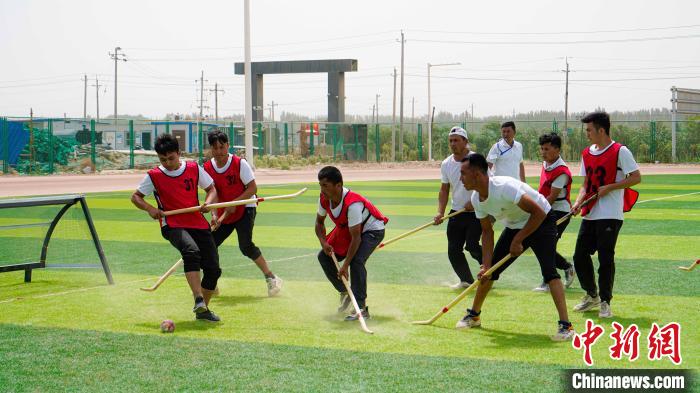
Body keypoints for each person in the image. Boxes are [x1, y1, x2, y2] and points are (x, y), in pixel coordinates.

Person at [456, 153, 575, 341]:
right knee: (491, 272)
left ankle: (566, 327)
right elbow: (487, 232)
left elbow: (537, 212)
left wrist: (518, 239)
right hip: (515, 225)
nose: (460, 178)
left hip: (542, 220)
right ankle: (474, 314)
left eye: (463, 173)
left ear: (477, 174)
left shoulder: (504, 187)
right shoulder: (477, 199)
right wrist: (486, 266)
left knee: (549, 271)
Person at [131, 133, 221, 322]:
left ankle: (203, 310)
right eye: (163, 160)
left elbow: (211, 189)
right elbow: (136, 197)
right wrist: (150, 209)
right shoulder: (154, 176)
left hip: (197, 222)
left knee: (213, 269)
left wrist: (208, 203)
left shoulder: (193, 168)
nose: (168, 163)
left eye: (171, 158)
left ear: (179, 154)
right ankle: (197, 298)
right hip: (172, 224)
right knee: (191, 251)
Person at [571, 111, 641, 318]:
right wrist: (577, 202)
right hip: (590, 213)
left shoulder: (621, 151)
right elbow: (585, 184)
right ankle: (592, 294)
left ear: (602, 130)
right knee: (579, 256)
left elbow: (636, 177)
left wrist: (611, 187)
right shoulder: (586, 153)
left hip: (610, 214)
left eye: (589, 130)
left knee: (605, 258)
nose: (587, 134)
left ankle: (605, 301)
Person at [203, 130, 282, 297]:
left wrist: (236, 202)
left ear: (228, 146)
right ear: (210, 149)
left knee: (245, 246)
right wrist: (215, 215)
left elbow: (252, 188)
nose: (219, 152)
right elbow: (212, 191)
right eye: (215, 148)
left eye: (222, 147)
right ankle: (211, 283)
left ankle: (271, 277)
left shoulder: (239, 163)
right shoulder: (208, 167)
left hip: (246, 207)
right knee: (209, 246)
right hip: (225, 209)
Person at [314, 166, 388, 321]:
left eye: (325, 186)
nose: (322, 190)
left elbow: (356, 238)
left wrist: (345, 265)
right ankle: (347, 292)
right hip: (347, 228)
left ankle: (361, 308)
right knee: (324, 256)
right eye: (320, 185)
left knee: (356, 261)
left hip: (371, 230)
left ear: (338, 185)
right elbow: (319, 223)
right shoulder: (323, 198)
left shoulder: (352, 204)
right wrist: (323, 242)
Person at [434, 126, 482, 289]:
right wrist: (440, 212)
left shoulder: (476, 159)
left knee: (472, 245)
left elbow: (487, 184)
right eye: (451, 141)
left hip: (477, 211)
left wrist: (475, 201)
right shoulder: (446, 163)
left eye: (456, 140)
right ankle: (466, 281)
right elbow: (444, 189)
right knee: (453, 250)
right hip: (457, 211)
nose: (453, 144)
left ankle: (489, 269)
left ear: (465, 142)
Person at [532, 133, 576, 292]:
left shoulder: (562, 172)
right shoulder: (546, 164)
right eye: (542, 149)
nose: (543, 152)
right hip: (547, 209)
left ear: (557, 150)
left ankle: (550, 279)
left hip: (559, 212)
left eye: (547, 149)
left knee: (546, 246)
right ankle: (564, 267)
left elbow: (551, 198)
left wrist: (536, 212)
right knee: (539, 244)